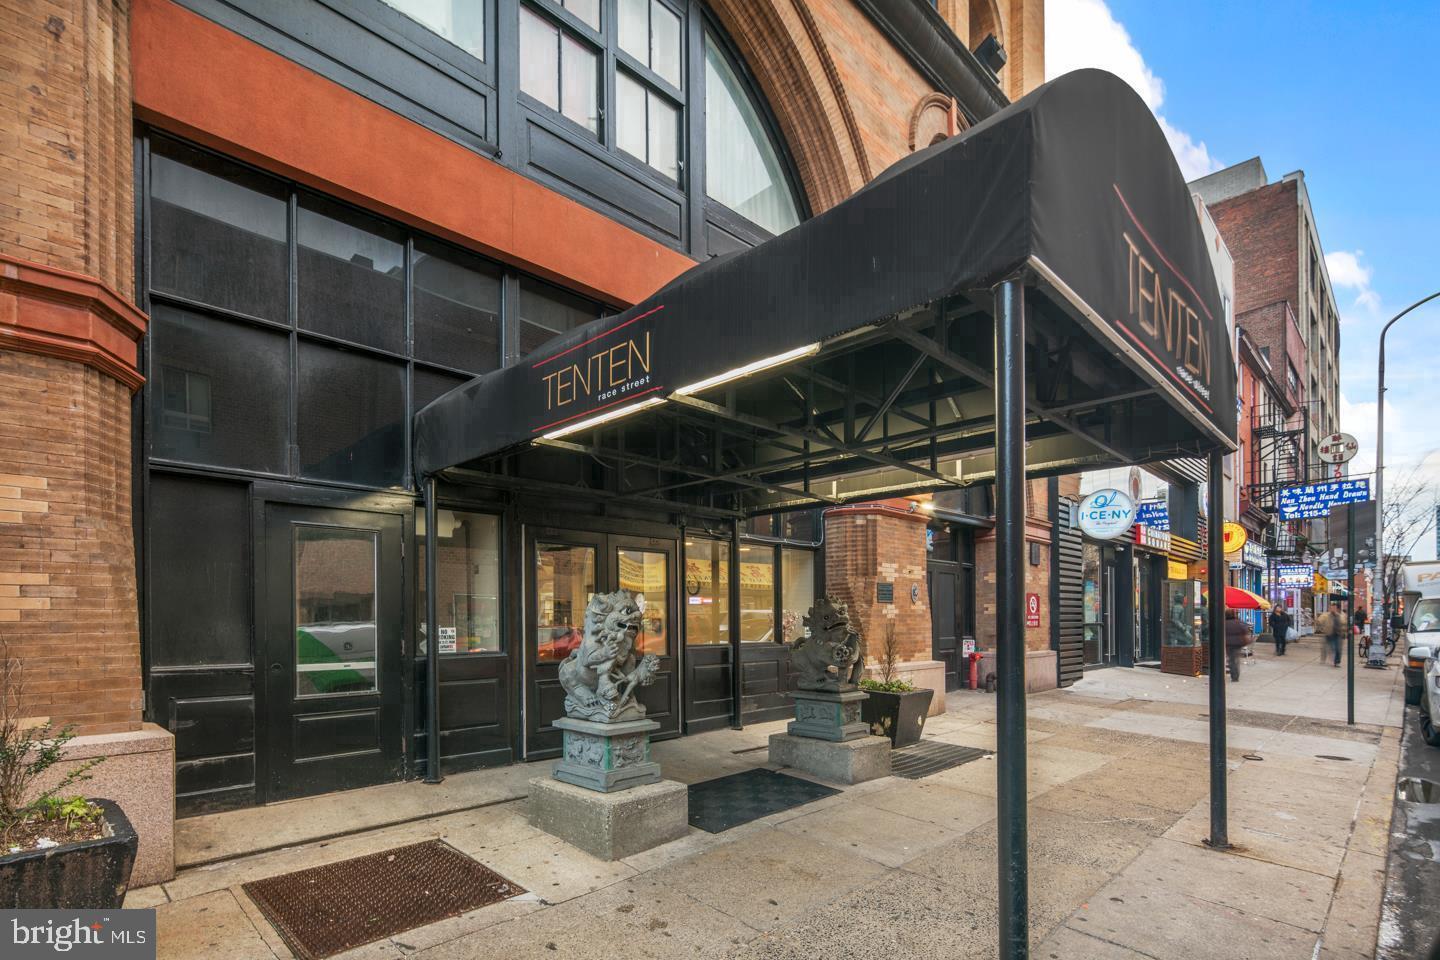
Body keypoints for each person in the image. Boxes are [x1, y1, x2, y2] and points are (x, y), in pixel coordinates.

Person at [1224, 608, 1252, 681]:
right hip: (1238, 643)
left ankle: (1234, 674)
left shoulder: (1224, 623)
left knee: (1231, 659)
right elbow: (1246, 631)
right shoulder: (1239, 622)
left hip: (1228, 643)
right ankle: (1235, 675)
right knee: (1235, 658)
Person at [1319, 601, 1347, 667]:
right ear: (1329, 608)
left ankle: (1337, 662)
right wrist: (1321, 627)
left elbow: (1344, 624)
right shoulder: (1325, 615)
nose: (1333, 609)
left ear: (1336, 608)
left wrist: (1344, 631)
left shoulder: (1341, 616)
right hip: (1329, 634)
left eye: (1334, 608)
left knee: (1338, 649)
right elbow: (1319, 621)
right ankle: (1332, 660)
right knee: (1331, 648)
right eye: (1331, 608)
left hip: (1338, 635)